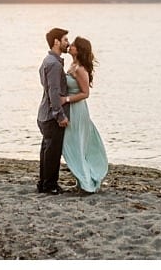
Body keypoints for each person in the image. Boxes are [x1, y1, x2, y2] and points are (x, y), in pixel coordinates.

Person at [60, 36, 108, 193]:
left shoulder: (80, 69)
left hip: (77, 110)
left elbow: (85, 93)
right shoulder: (73, 65)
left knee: (77, 145)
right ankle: (81, 181)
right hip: (71, 109)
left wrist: (66, 99)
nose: (70, 46)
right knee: (74, 145)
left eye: (73, 45)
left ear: (79, 50)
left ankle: (86, 183)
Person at [37, 27, 70, 195]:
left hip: (44, 113)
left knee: (47, 150)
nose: (68, 43)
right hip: (51, 116)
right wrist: (60, 115)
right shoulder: (54, 64)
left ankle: (43, 183)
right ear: (56, 42)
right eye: (65, 40)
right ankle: (50, 185)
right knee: (53, 152)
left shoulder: (48, 60)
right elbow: (54, 92)